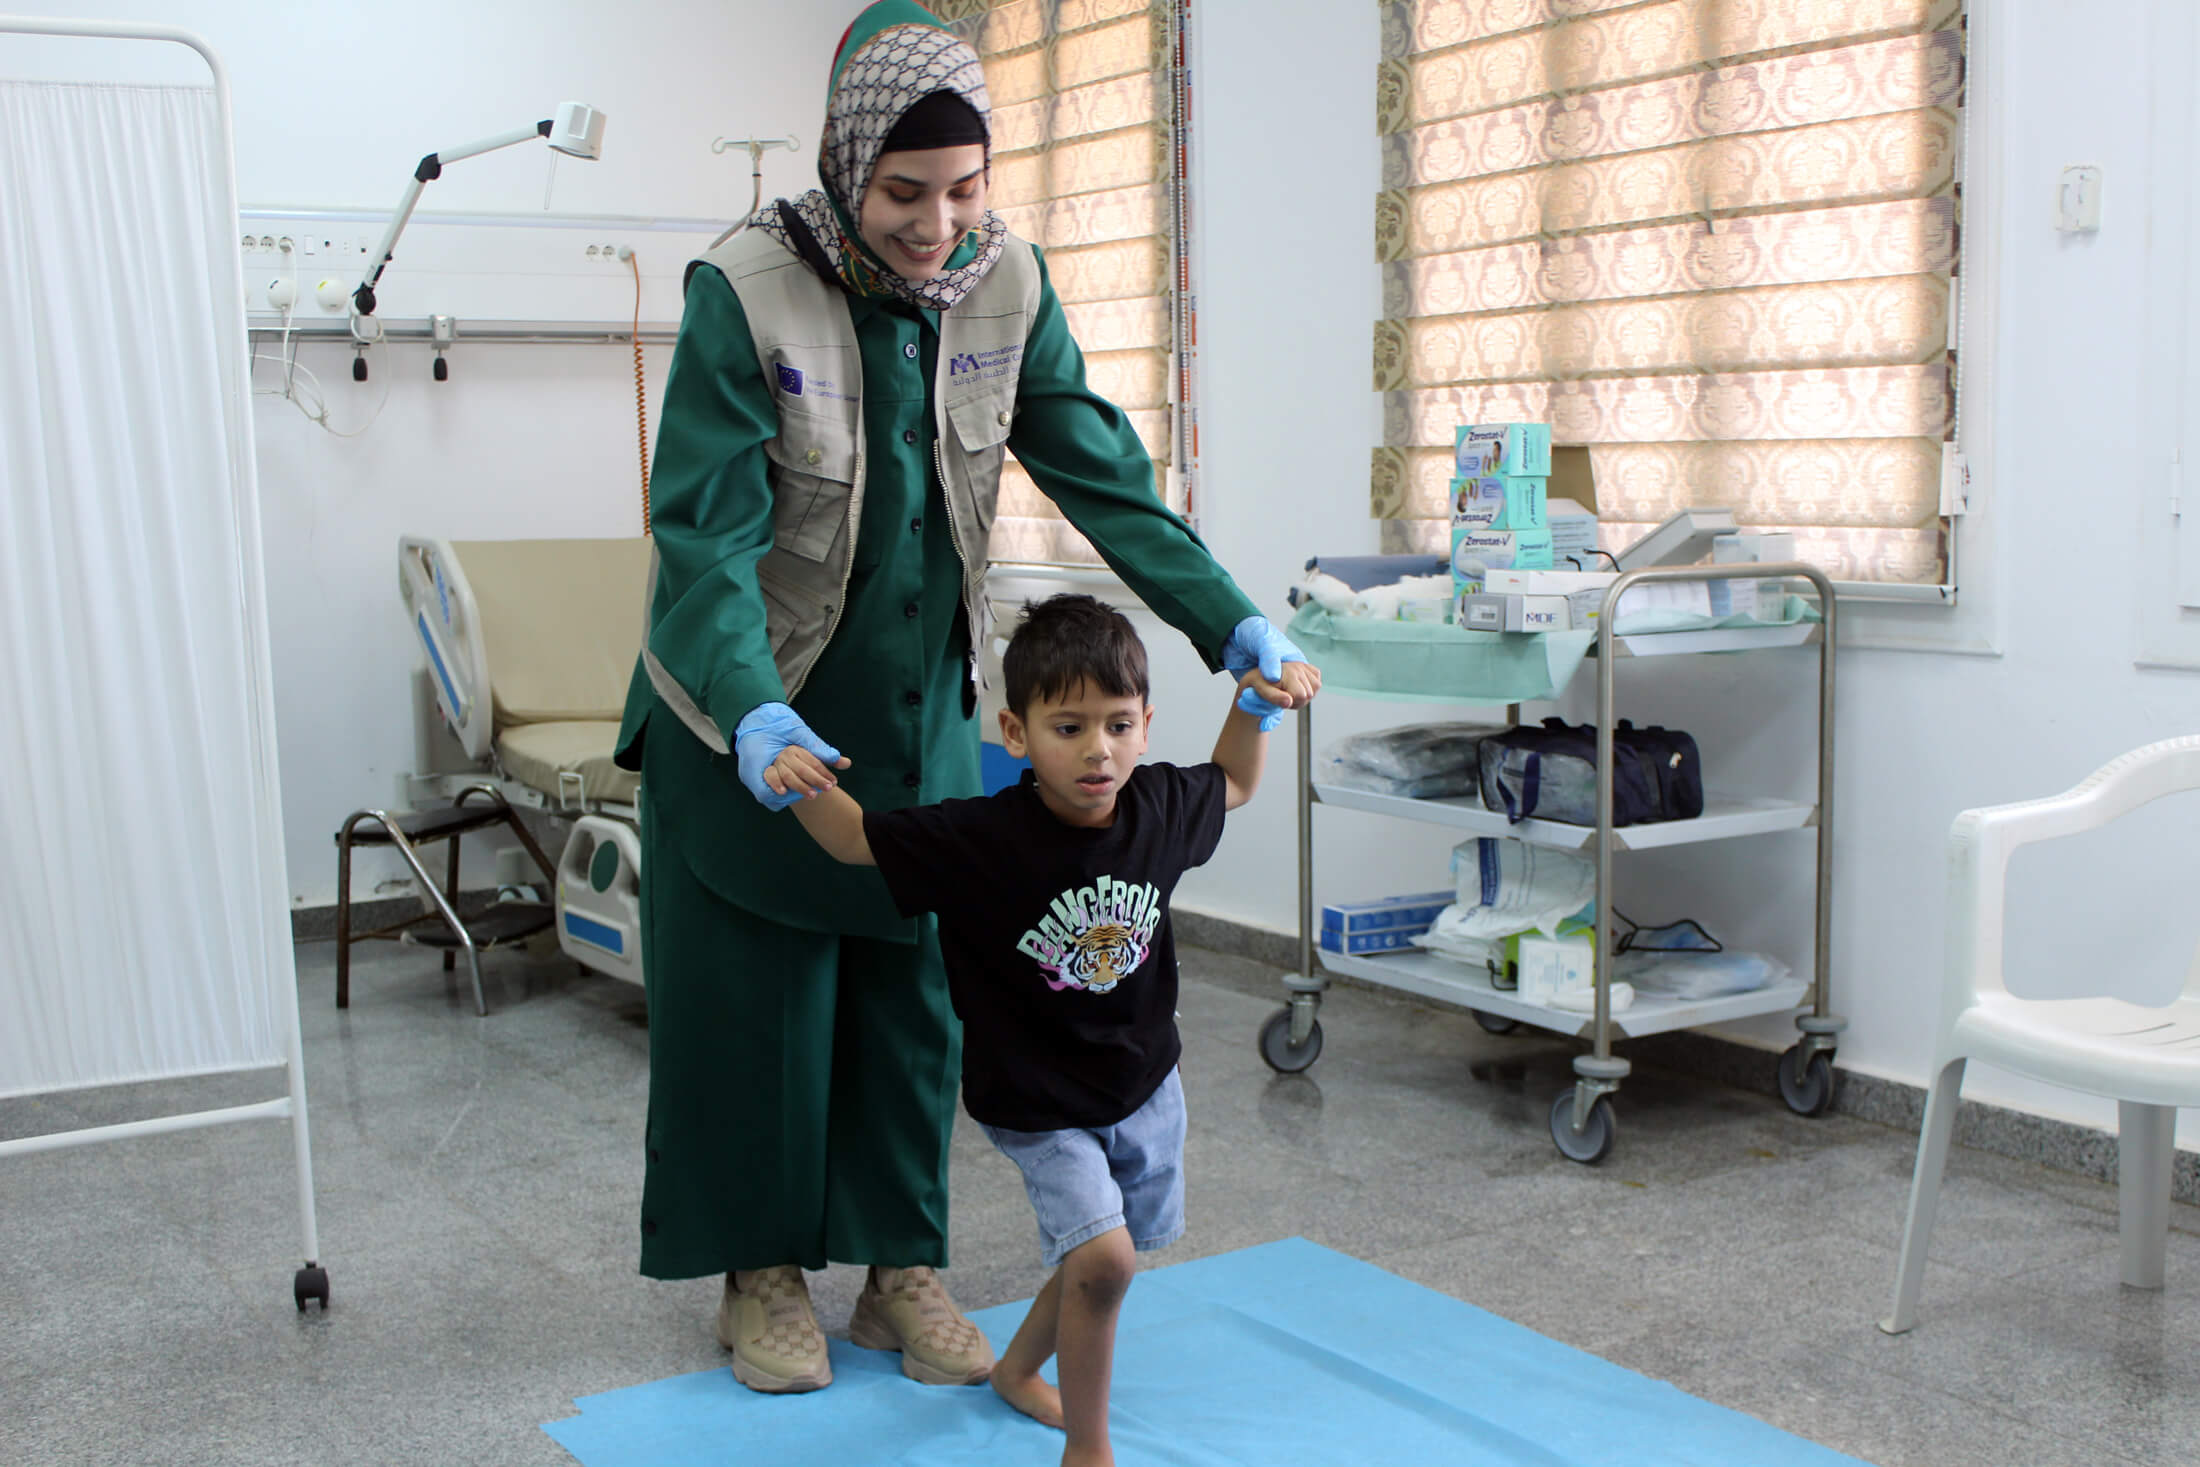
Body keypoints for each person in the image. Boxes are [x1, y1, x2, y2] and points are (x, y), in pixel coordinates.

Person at [610, 0, 1319, 1399]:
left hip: (922, 710)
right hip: (749, 706)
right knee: (759, 999)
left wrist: (1222, 616)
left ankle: (898, 1267)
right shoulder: (743, 289)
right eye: (903, 193)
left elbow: (1102, 471)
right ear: (842, 165)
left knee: (912, 998)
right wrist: (750, 703)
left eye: (965, 189)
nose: (937, 223)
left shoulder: (1006, 281)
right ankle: (761, 1271)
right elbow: (704, 537)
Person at [770, 594, 1318, 1466]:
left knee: (1099, 1257)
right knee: (1106, 1260)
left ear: (1144, 727)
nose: (1098, 749)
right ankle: (1090, 1451)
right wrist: (789, 769)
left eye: (1118, 724)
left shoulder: (1160, 807)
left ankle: (1019, 1371)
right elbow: (854, 842)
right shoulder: (983, 838)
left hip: (1143, 1084)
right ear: (1016, 733)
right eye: (1068, 727)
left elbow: (1237, 780)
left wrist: (1249, 706)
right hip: (1037, 1099)